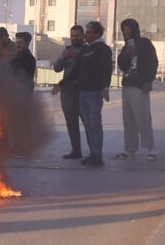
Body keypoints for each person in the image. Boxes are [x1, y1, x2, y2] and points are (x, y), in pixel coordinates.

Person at [114, 18, 159, 161]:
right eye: (124, 29)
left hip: (140, 85)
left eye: (129, 28)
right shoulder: (125, 46)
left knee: (143, 118)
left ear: (134, 29)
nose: (126, 31)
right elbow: (121, 65)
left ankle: (151, 149)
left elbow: (152, 62)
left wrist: (148, 80)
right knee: (128, 120)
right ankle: (130, 150)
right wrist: (126, 53)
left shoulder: (145, 43)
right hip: (127, 84)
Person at [75, 21, 113, 168]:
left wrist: (105, 87)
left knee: (94, 124)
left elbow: (106, 69)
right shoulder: (86, 50)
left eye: (89, 32)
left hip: (94, 92)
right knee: (88, 125)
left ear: (96, 34)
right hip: (83, 91)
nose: (86, 35)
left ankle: (97, 156)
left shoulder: (102, 49)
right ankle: (92, 153)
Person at [52, 25, 86, 159]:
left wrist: (77, 55)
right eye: (72, 36)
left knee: (88, 123)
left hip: (83, 92)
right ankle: (76, 151)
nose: (74, 38)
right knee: (71, 123)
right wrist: (63, 58)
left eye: (77, 35)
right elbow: (56, 68)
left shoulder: (87, 50)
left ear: (83, 36)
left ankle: (95, 151)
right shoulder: (66, 50)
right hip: (68, 92)